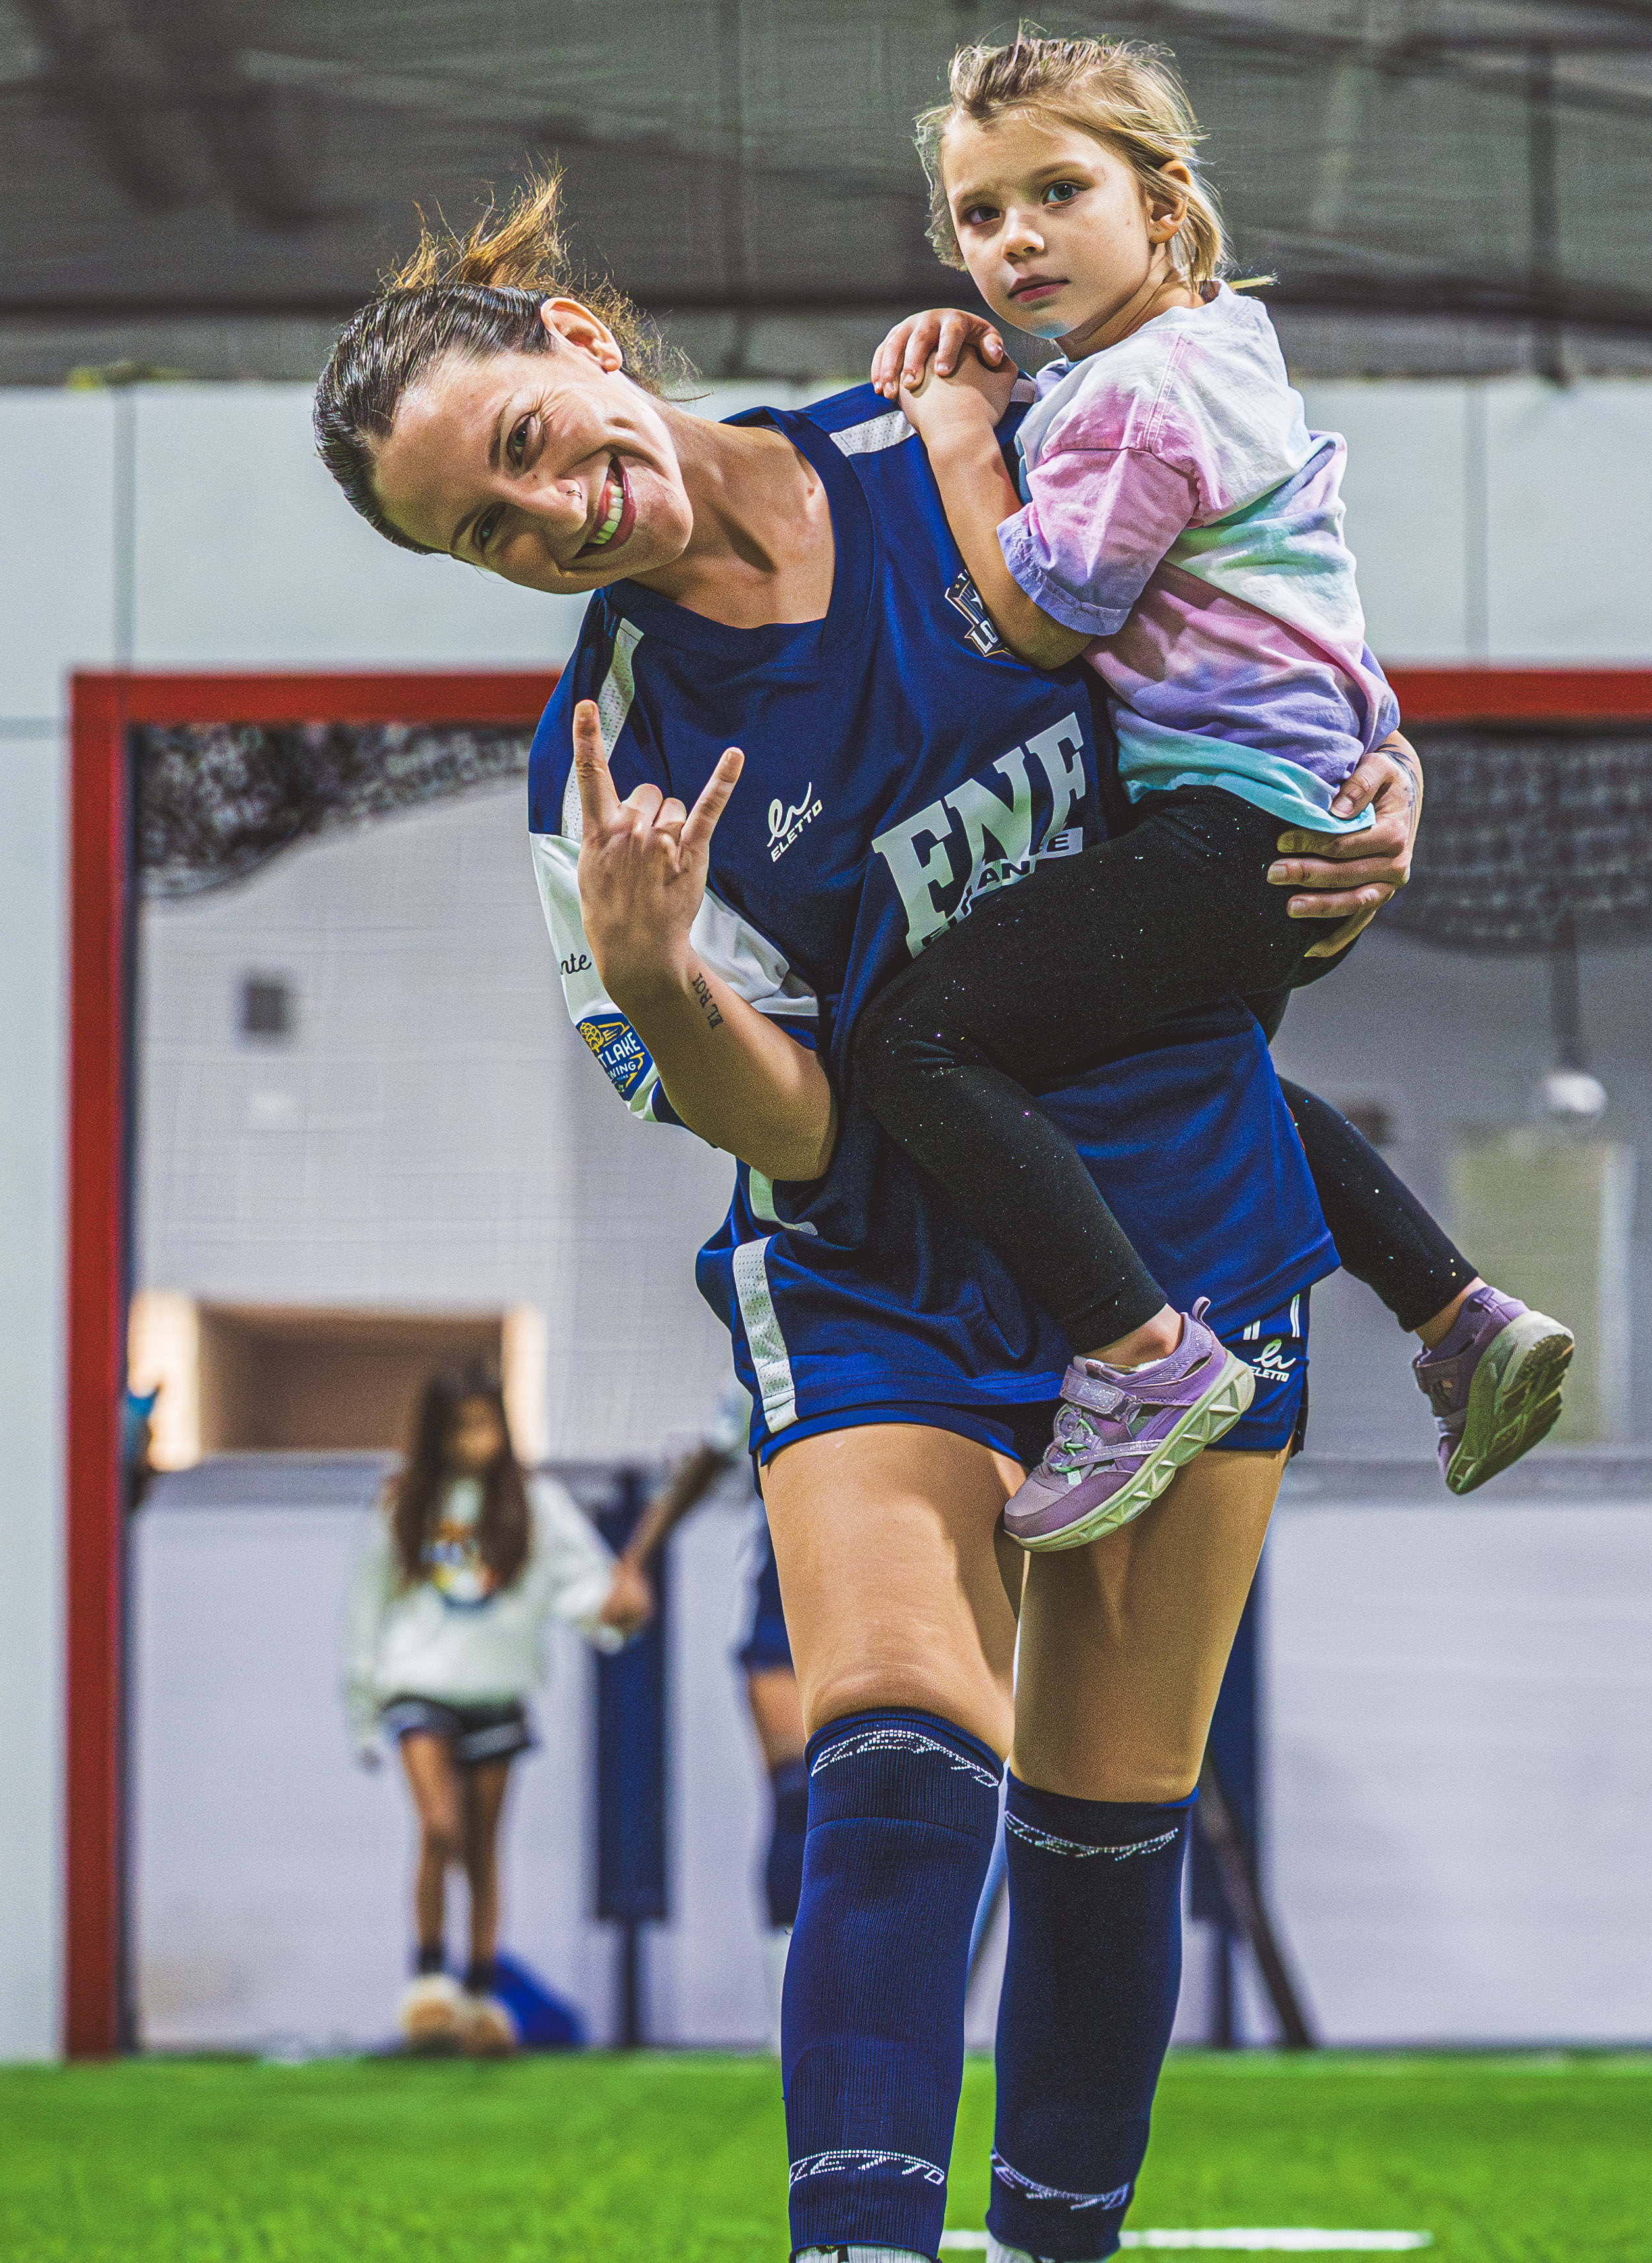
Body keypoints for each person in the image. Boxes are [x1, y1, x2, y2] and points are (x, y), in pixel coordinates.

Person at [311, 171, 1413, 2263]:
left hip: (1175, 1205)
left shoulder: (962, 437)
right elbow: (805, 1134)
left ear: (578, 341)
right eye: (487, 531)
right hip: (880, 1268)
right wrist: (660, 983)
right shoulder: (605, 771)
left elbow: (1262, 634)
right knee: (894, 1745)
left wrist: (1377, 785)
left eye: (527, 443)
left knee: (1107, 1817)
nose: (548, 515)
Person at [852, 31, 1571, 1546]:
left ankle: (1141, 1356)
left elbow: (1044, 614)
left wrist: (957, 431)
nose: (1017, 237)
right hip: (1289, 810)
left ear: (1164, 203)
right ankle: (1458, 1314)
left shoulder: (1134, 397)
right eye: (980, 214)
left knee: (915, 1038)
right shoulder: (1220, 344)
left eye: (1059, 191)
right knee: (1196, 1071)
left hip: (1231, 827)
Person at [343, 1362, 649, 2054]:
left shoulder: (536, 1505)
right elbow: (366, 1608)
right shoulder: (404, 1503)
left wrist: (617, 1611)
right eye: (458, 1426)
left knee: (483, 1849)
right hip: (417, 1688)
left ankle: (481, 1994)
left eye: (483, 1424)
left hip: (498, 1693)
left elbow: (584, 1587)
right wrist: (364, 1709)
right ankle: (429, 1981)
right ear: (434, 1432)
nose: (472, 1439)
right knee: (439, 1829)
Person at [607, 1377, 807, 2012]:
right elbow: (709, 1456)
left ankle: (875, 1998)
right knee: (799, 1797)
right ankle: (789, 2005)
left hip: (883, 1609)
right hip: (780, 1615)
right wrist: (635, 1557)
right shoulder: (774, 1349)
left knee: (881, 1803)